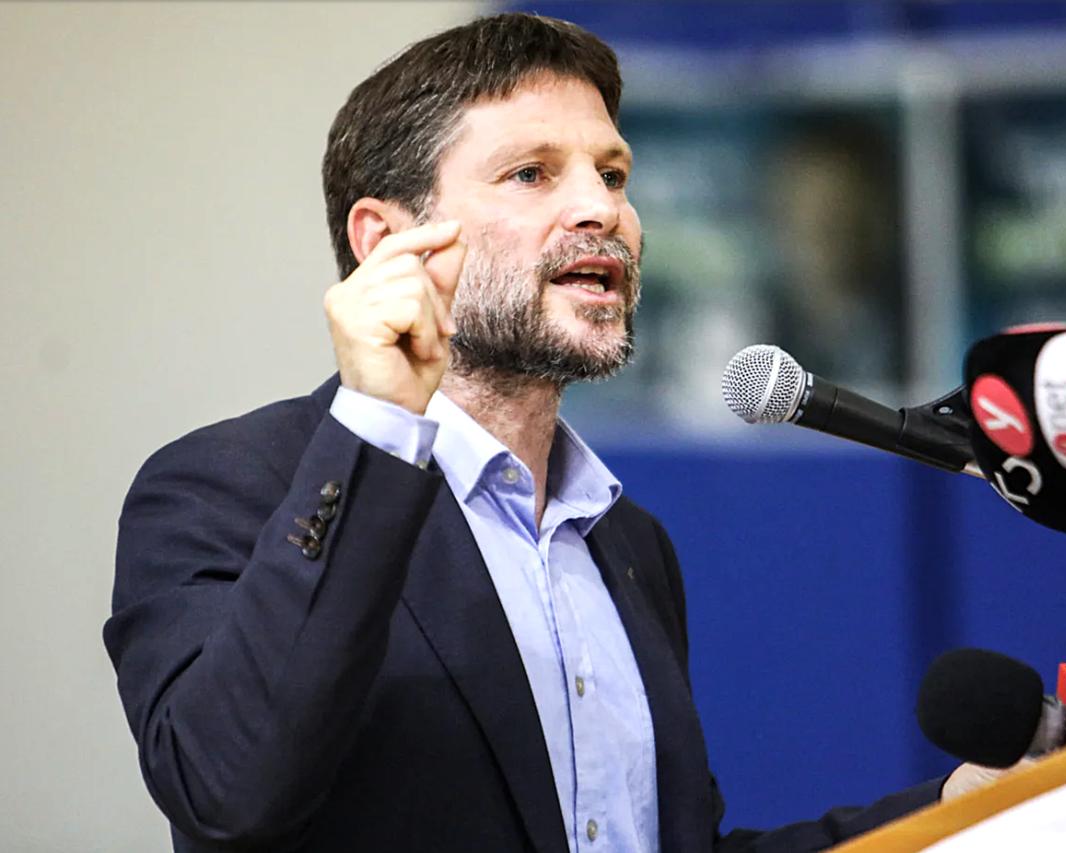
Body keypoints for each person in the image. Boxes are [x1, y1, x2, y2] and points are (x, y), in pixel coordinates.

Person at [104, 13, 991, 852]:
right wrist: (376, 424)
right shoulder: (226, 488)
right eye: (531, 173)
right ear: (386, 242)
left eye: (612, 174)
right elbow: (229, 795)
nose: (601, 209)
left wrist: (965, 809)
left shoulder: (628, 541)